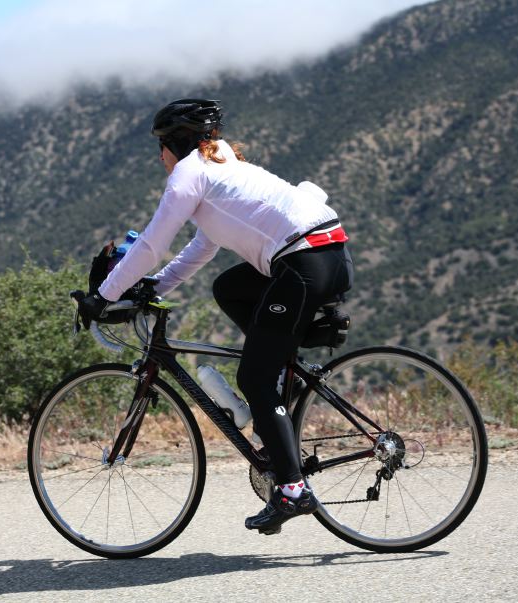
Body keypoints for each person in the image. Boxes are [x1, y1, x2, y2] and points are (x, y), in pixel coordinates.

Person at [79, 98, 353, 535]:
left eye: (160, 148)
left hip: (302, 263)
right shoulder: (220, 163)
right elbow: (202, 247)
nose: (159, 159)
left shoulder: (190, 173)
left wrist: (102, 296)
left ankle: (292, 490)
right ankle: (287, 373)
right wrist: (155, 286)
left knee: (254, 380)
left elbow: (151, 245)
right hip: (323, 255)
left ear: (175, 144)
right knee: (228, 287)